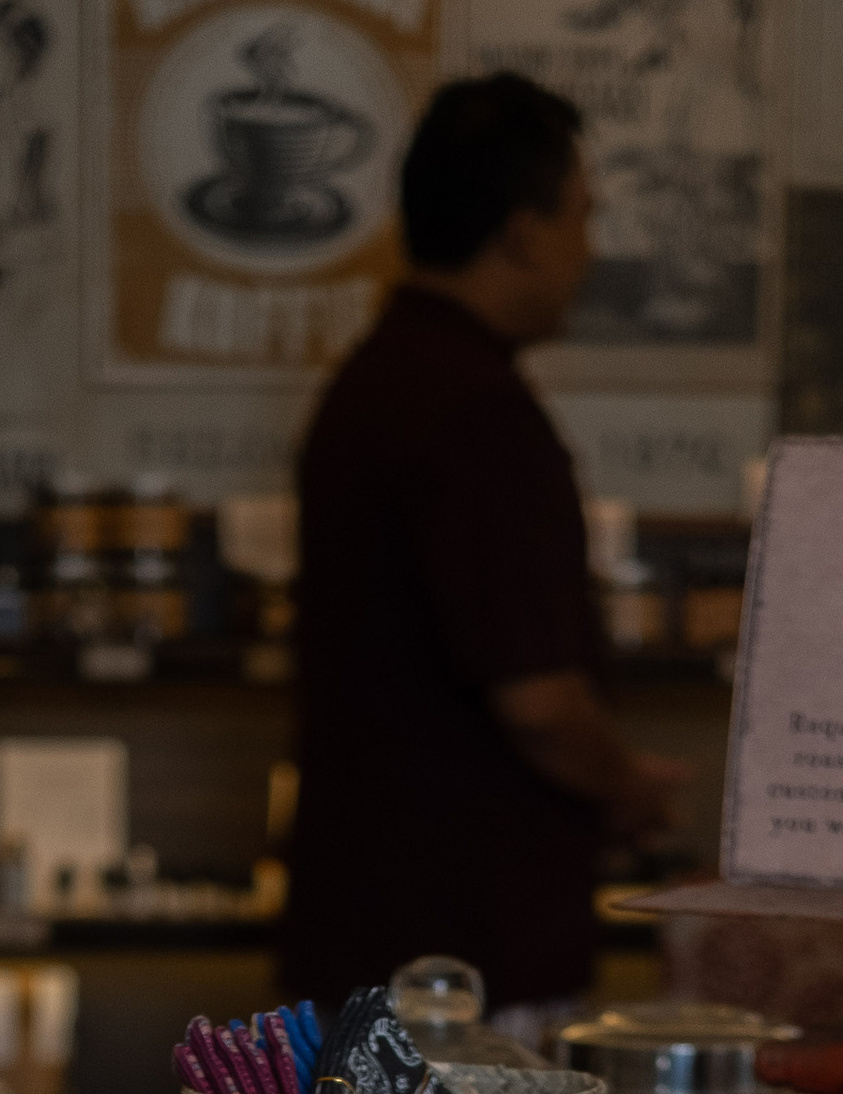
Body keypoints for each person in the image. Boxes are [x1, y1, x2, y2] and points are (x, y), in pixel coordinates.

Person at [283, 74, 687, 1032]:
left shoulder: (372, 381)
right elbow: (540, 702)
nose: (587, 254)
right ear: (521, 232)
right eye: (581, 220)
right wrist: (625, 788)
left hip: (363, 927)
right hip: (463, 959)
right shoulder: (479, 416)